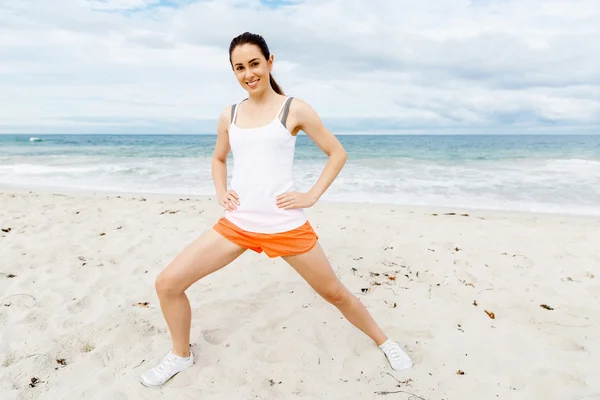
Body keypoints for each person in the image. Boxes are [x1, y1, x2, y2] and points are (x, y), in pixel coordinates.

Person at [139, 32, 413, 387]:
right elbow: (219, 158)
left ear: (270, 62)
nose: (248, 73)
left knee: (335, 293)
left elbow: (337, 153)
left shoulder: (293, 109)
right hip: (238, 224)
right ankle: (180, 355)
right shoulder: (230, 114)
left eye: (254, 63)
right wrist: (221, 191)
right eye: (239, 67)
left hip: (285, 224)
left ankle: (385, 342)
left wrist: (311, 195)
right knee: (167, 284)